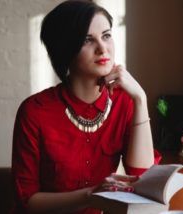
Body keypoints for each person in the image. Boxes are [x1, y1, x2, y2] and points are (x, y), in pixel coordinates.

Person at [11, 0, 161, 213]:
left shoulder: (125, 101)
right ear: (65, 50)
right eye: (87, 40)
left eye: (106, 36)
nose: (102, 48)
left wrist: (140, 99)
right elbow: (27, 201)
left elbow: (142, 176)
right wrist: (91, 195)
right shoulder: (34, 111)